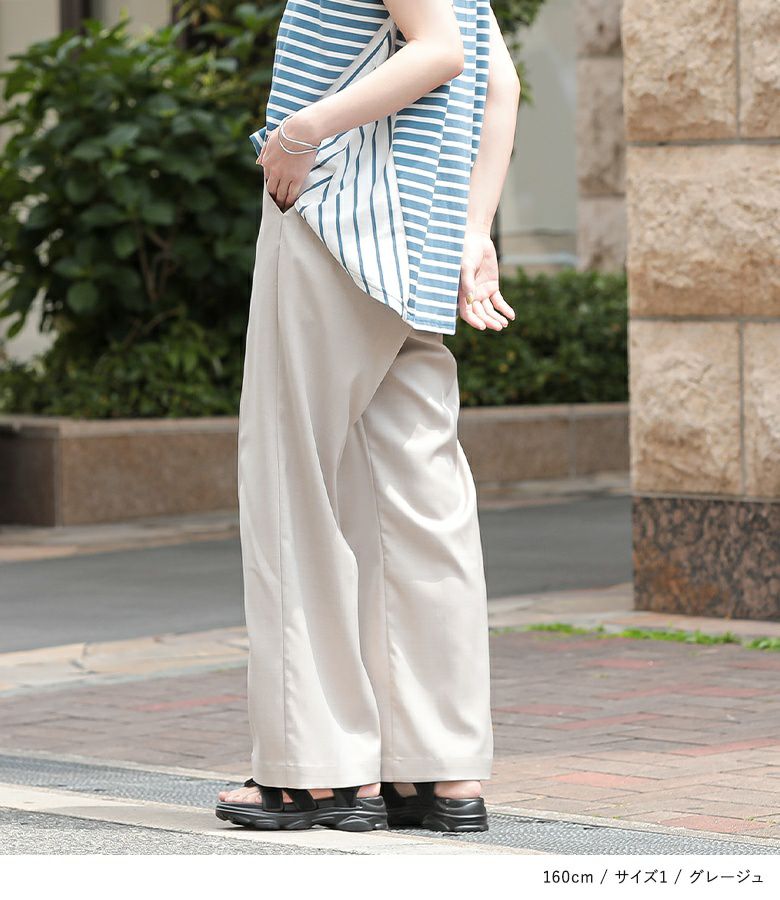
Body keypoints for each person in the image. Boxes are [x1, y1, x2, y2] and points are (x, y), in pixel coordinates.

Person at [215, 0, 520, 834]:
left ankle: (315, 775)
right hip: (418, 240)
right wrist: (473, 229)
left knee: (294, 491)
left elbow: (440, 52)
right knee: (418, 505)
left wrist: (300, 130)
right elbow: (499, 79)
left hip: (336, 221)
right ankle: (438, 771)